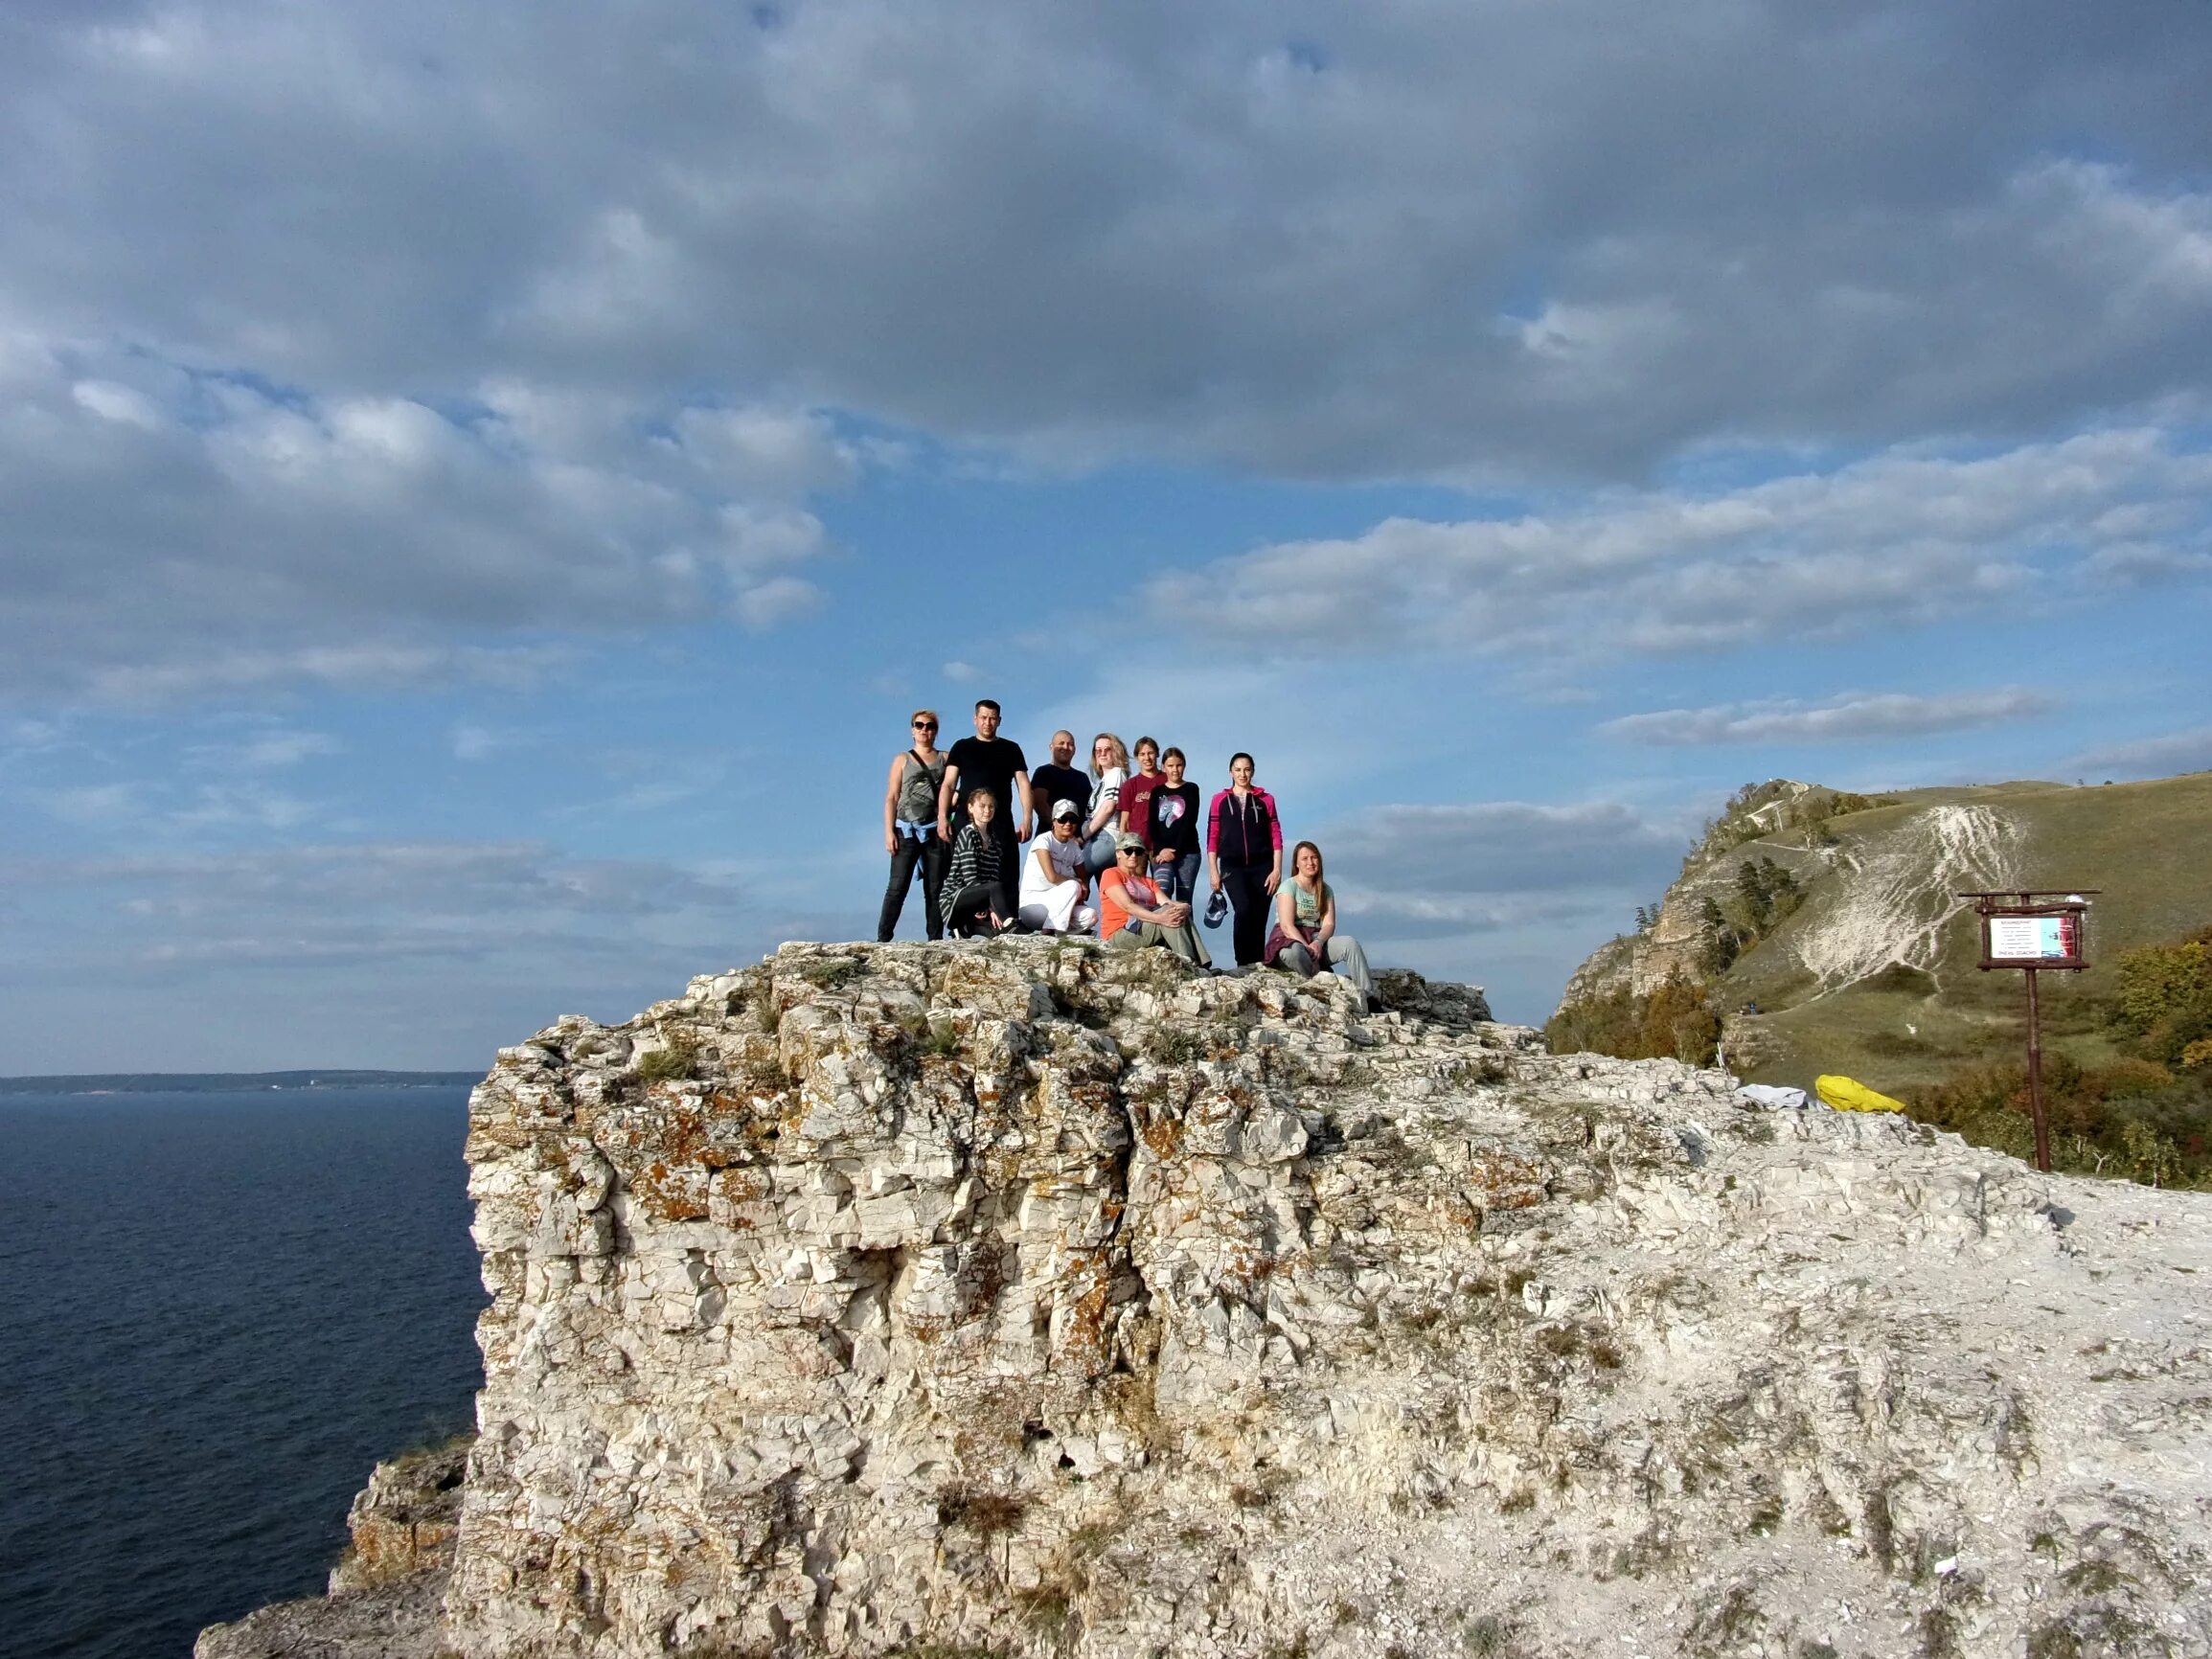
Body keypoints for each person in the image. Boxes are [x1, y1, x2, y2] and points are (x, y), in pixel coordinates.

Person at [938, 699, 1032, 894]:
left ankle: (1007, 921)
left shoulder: (1011, 749)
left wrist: (1027, 819)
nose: (987, 722)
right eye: (983, 717)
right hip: (966, 821)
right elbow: (948, 784)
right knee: (964, 875)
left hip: (1001, 821)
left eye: (992, 718)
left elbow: (1023, 784)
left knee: (1005, 876)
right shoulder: (962, 747)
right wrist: (942, 817)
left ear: (999, 721)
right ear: (975, 719)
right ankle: (964, 923)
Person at [1267, 840, 1376, 1007]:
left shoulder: (1326, 890)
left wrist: (1318, 943)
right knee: (1295, 953)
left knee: (1350, 943)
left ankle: (1368, 996)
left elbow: (1329, 924)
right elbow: (1287, 926)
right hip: (1290, 938)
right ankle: (1321, 980)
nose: (1310, 862)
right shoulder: (1288, 886)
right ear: (1297, 863)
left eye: (1314, 858)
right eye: (1305, 859)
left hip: (1316, 938)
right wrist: (1307, 947)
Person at [878, 709, 950, 942]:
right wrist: (889, 831)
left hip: (934, 829)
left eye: (929, 726)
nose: (924, 730)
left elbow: (951, 789)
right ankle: (884, 937)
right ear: (912, 730)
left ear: (936, 731)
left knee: (935, 888)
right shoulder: (902, 759)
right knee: (897, 887)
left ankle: (935, 938)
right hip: (906, 829)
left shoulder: (945, 758)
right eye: (919, 725)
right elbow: (891, 796)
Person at [1206, 752, 1283, 966]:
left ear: (1253, 771)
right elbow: (1212, 836)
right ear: (1231, 772)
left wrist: (1277, 869)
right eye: (1238, 769)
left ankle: (1257, 963)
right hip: (1232, 866)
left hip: (1263, 866)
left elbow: (1276, 836)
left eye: (1247, 769)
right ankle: (1243, 963)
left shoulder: (1266, 800)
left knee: (1260, 914)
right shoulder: (1219, 800)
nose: (1243, 774)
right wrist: (1213, 871)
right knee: (1243, 909)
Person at [1100, 833, 1212, 967]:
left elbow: (1166, 902)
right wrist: (1160, 918)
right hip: (1119, 934)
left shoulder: (1148, 881)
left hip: (1145, 927)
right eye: (1128, 851)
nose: (1133, 855)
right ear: (1118, 853)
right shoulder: (1111, 874)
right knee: (1167, 913)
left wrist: (1184, 907)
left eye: (1138, 851)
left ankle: (1201, 963)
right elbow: (1128, 906)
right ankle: (1188, 962)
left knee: (1175, 911)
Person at [942, 786, 1018, 937]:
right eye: (982, 806)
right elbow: (970, 877)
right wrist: (990, 906)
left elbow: (992, 877)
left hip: (979, 899)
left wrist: (994, 908)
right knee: (996, 889)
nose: (987, 810)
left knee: (998, 932)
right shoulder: (967, 833)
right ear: (970, 808)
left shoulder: (995, 842)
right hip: (954, 899)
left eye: (991, 806)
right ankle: (1010, 923)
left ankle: (965, 928)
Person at [1018, 799, 1100, 934]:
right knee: (1073, 885)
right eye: (1062, 819)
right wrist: (1078, 884)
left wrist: (1081, 891)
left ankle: (1061, 935)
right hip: (1034, 905)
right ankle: (1050, 930)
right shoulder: (1043, 840)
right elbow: (1052, 877)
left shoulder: (1074, 848)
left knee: (1091, 915)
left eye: (1072, 819)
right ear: (1054, 821)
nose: (1068, 824)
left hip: (1061, 905)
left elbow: (1084, 880)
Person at [1145, 746, 1202, 903]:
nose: (1175, 770)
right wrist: (1161, 850)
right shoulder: (1157, 792)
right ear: (1163, 767)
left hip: (1188, 853)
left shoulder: (1191, 788)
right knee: (1162, 895)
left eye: (1179, 765)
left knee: (1184, 902)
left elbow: (1189, 822)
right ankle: (1165, 928)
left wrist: (1174, 850)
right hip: (1161, 854)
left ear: (1184, 766)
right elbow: (1152, 824)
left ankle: (1186, 928)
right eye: (1170, 766)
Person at [1028, 730, 1091, 841]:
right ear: (1051, 747)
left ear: (1074, 750)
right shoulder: (1044, 772)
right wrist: (1061, 829)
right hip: (1050, 839)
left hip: (1078, 843)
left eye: (1070, 744)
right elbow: (1040, 804)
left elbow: (1090, 810)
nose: (1066, 747)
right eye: (1061, 743)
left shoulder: (1083, 778)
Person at [1083, 732, 1129, 875]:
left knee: (1074, 871)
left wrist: (1083, 836)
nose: (1102, 753)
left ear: (1116, 752)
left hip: (1107, 835)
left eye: (1107, 749)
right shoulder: (1102, 782)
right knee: (1107, 889)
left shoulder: (1117, 773)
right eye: (1098, 750)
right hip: (1095, 835)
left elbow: (1108, 808)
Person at [1117, 736, 1164, 840]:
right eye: (1142, 754)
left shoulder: (1167, 780)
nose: (1147, 758)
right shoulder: (1130, 785)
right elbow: (1124, 821)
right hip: (1137, 846)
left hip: (1163, 846)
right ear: (1137, 757)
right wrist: (1121, 846)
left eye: (1150, 753)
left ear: (1157, 754)